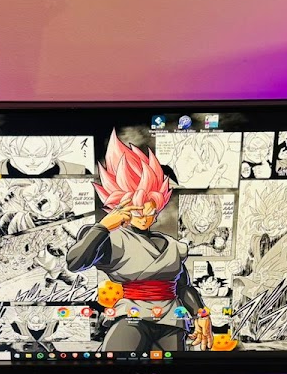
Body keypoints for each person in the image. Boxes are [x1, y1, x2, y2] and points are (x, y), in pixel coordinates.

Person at [66, 132, 212, 353]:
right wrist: (103, 226)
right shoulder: (112, 239)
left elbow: (183, 286)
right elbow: (75, 262)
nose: (143, 217)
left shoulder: (171, 245)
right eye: (136, 211)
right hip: (131, 317)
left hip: (172, 320)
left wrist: (202, 313)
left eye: (149, 211)